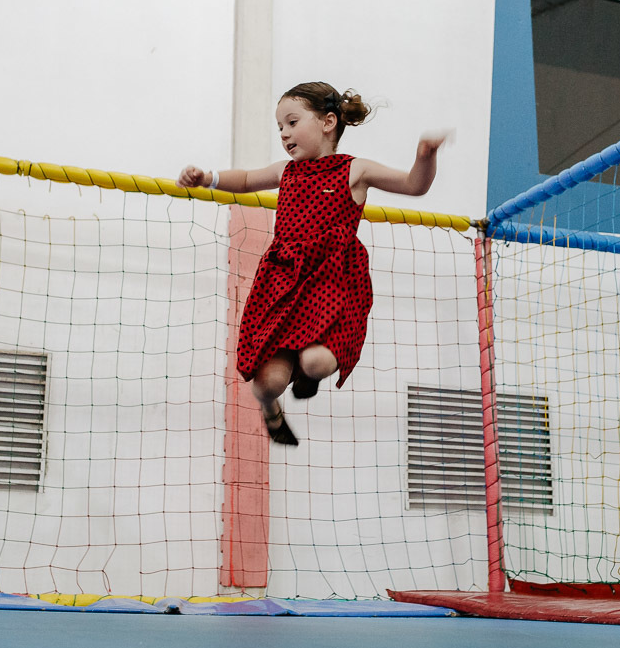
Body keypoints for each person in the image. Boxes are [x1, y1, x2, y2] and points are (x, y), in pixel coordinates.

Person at [178, 82, 449, 445]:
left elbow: (415, 185)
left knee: (317, 362)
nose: (285, 134)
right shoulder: (285, 172)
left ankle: (308, 375)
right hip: (283, 283)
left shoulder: (354, 170)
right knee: (267, 384)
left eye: (291, 122)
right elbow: (243, 179)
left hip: (330, 284)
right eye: (280, 128)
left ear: (328, 122)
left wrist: (425, 155)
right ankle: (271, 409)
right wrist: (207, 179)